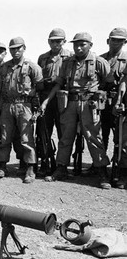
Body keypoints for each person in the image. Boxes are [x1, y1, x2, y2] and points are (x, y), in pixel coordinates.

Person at [41, 32, 111, 189]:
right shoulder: (67, 63)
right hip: (70, 103)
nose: (78, 48)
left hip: (89, 104)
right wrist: (47, 101)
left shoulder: (99, 62)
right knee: (66, 137)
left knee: (93, 137)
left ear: (90, 45)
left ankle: (101, 171)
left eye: (82, 44)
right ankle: (61, 168)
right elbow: (59, 83)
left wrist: (99, 95)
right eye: (76, 45)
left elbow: (109, 82)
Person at [0, 37, 43, 183]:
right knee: (5, 137)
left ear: (24, 48)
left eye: (18, 48)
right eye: (12, 49)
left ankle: (30, 169)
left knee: (26, 138)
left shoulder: (32, 67)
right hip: (7, 106)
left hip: (24, 106)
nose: (15, 51)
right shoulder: (4, 68)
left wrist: (34, 99)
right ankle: (2, 167)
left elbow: (40, 87)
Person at [36, 28, 72, 176]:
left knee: (64, 132)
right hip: (46, 97)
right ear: (48, 41)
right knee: (43, 131)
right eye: (53, 41)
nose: (56, 43)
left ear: (64, 41)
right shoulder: (43, 58)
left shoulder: (70, 56)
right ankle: (45, 161)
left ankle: (61, 165)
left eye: (59, 40)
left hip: (63, 97)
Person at [99, 28, 127, 155]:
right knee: (100, 132)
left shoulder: (126, 60)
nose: (116, 43)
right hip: (102, 100)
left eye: (120, 41)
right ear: (107, 41)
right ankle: (100, 164)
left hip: (119, 100)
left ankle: (118, 162)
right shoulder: (100, 59)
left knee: (120, 134)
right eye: (113, 40)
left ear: (125, 42)